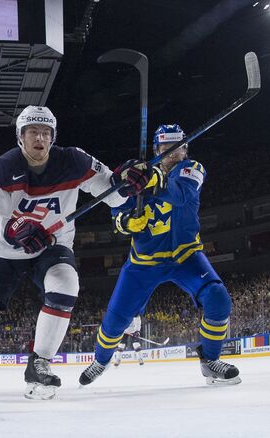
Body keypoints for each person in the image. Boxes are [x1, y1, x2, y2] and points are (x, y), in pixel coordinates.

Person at [0, 105, 152, 399]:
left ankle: (40, 364)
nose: (39, 137)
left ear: (53, 137)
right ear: (20, 137)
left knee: (66, 284)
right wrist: (13, 229)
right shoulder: (1, 167)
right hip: (4, 249)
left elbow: (112, 196)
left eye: (45, 132)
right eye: (32, 132)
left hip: (53, 244)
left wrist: (128, 182)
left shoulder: (75, 160)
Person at [79, 124, 241, 388]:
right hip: (144, 263)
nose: (173, 153)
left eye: (178, 147)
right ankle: (100, 360)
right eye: (166, 148)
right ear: (157, 149)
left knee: (218, 298)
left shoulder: (192, 169)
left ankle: (210, 361)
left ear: (186, 149)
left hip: (185, 255)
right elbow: (117, 217)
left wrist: (153, 180)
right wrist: (128, 222)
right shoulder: (135, 176)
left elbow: (182, 194)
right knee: (115, 321)